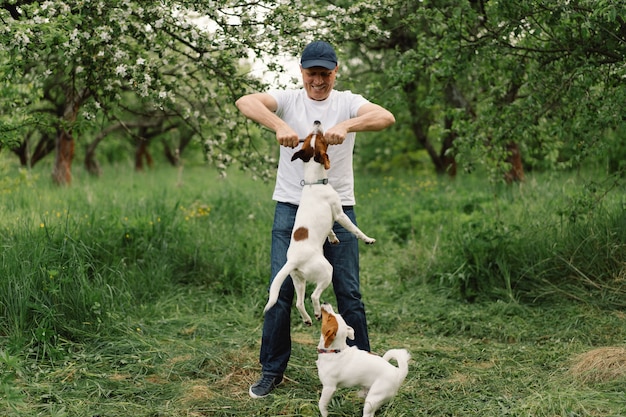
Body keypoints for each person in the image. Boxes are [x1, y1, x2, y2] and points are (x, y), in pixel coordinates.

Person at [235, 40, 395, 399]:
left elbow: (386, 117)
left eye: (325, 73)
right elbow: (245, 101)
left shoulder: (347, 102)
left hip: (338, 210)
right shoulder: (289, 99)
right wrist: (278, 125)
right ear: (302, 72)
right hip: (292, 211)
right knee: (282, 289)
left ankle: (365, 371)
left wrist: (348, 125)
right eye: (312, 73)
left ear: (335, 72)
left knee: (349, 292)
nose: (318, 80)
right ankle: (272, 370)